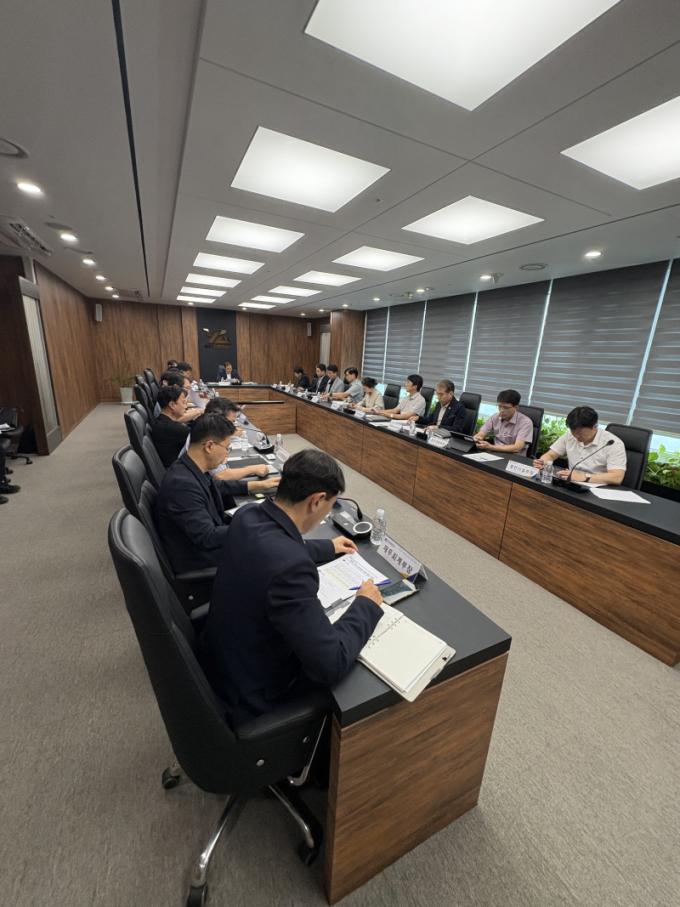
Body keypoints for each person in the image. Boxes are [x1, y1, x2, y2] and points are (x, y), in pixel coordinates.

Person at [199, 449, 384, 725]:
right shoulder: (290, 570)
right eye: (329, 505)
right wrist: (365, 605)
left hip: (222, 660)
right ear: (316, 501)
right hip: (255, 694)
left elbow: (275, 546)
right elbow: (331, 663)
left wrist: (327, 547)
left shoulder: (248, 515)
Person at [155, 414, 245, 573]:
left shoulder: (190, 467)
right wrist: (251, 525)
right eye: (227, 448)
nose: (227, 454)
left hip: (205, 543)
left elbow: (217, 487)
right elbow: (208, 537)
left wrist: (256, 485)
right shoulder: (181, 485)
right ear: (209, 446)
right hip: (200, 561)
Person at [533, 405, 627, 485]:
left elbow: (617, 477)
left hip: (598, 489)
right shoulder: (570, 436)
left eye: (580, 433)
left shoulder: (612, 443)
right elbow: (551, 455)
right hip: (572, 484)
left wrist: (585, 477)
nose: (576, 436)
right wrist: (543, 462)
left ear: (595, 426)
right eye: (573, 432)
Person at [474, 389, 534, 454]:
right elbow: (482, 432)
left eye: (506, 408)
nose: (501, 410)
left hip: (514, 456)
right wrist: (479, 437)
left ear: (516, 407)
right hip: (495, 452)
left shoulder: (526, 422)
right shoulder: (496, 417)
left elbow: (517, 448)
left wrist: (491, 447)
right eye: (499, 406)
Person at [151, 385, 192, 466]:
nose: (186, 406)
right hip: (177, 468)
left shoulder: (161, 421)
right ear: (172, 405)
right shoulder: (174, 429)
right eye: (183, 402)